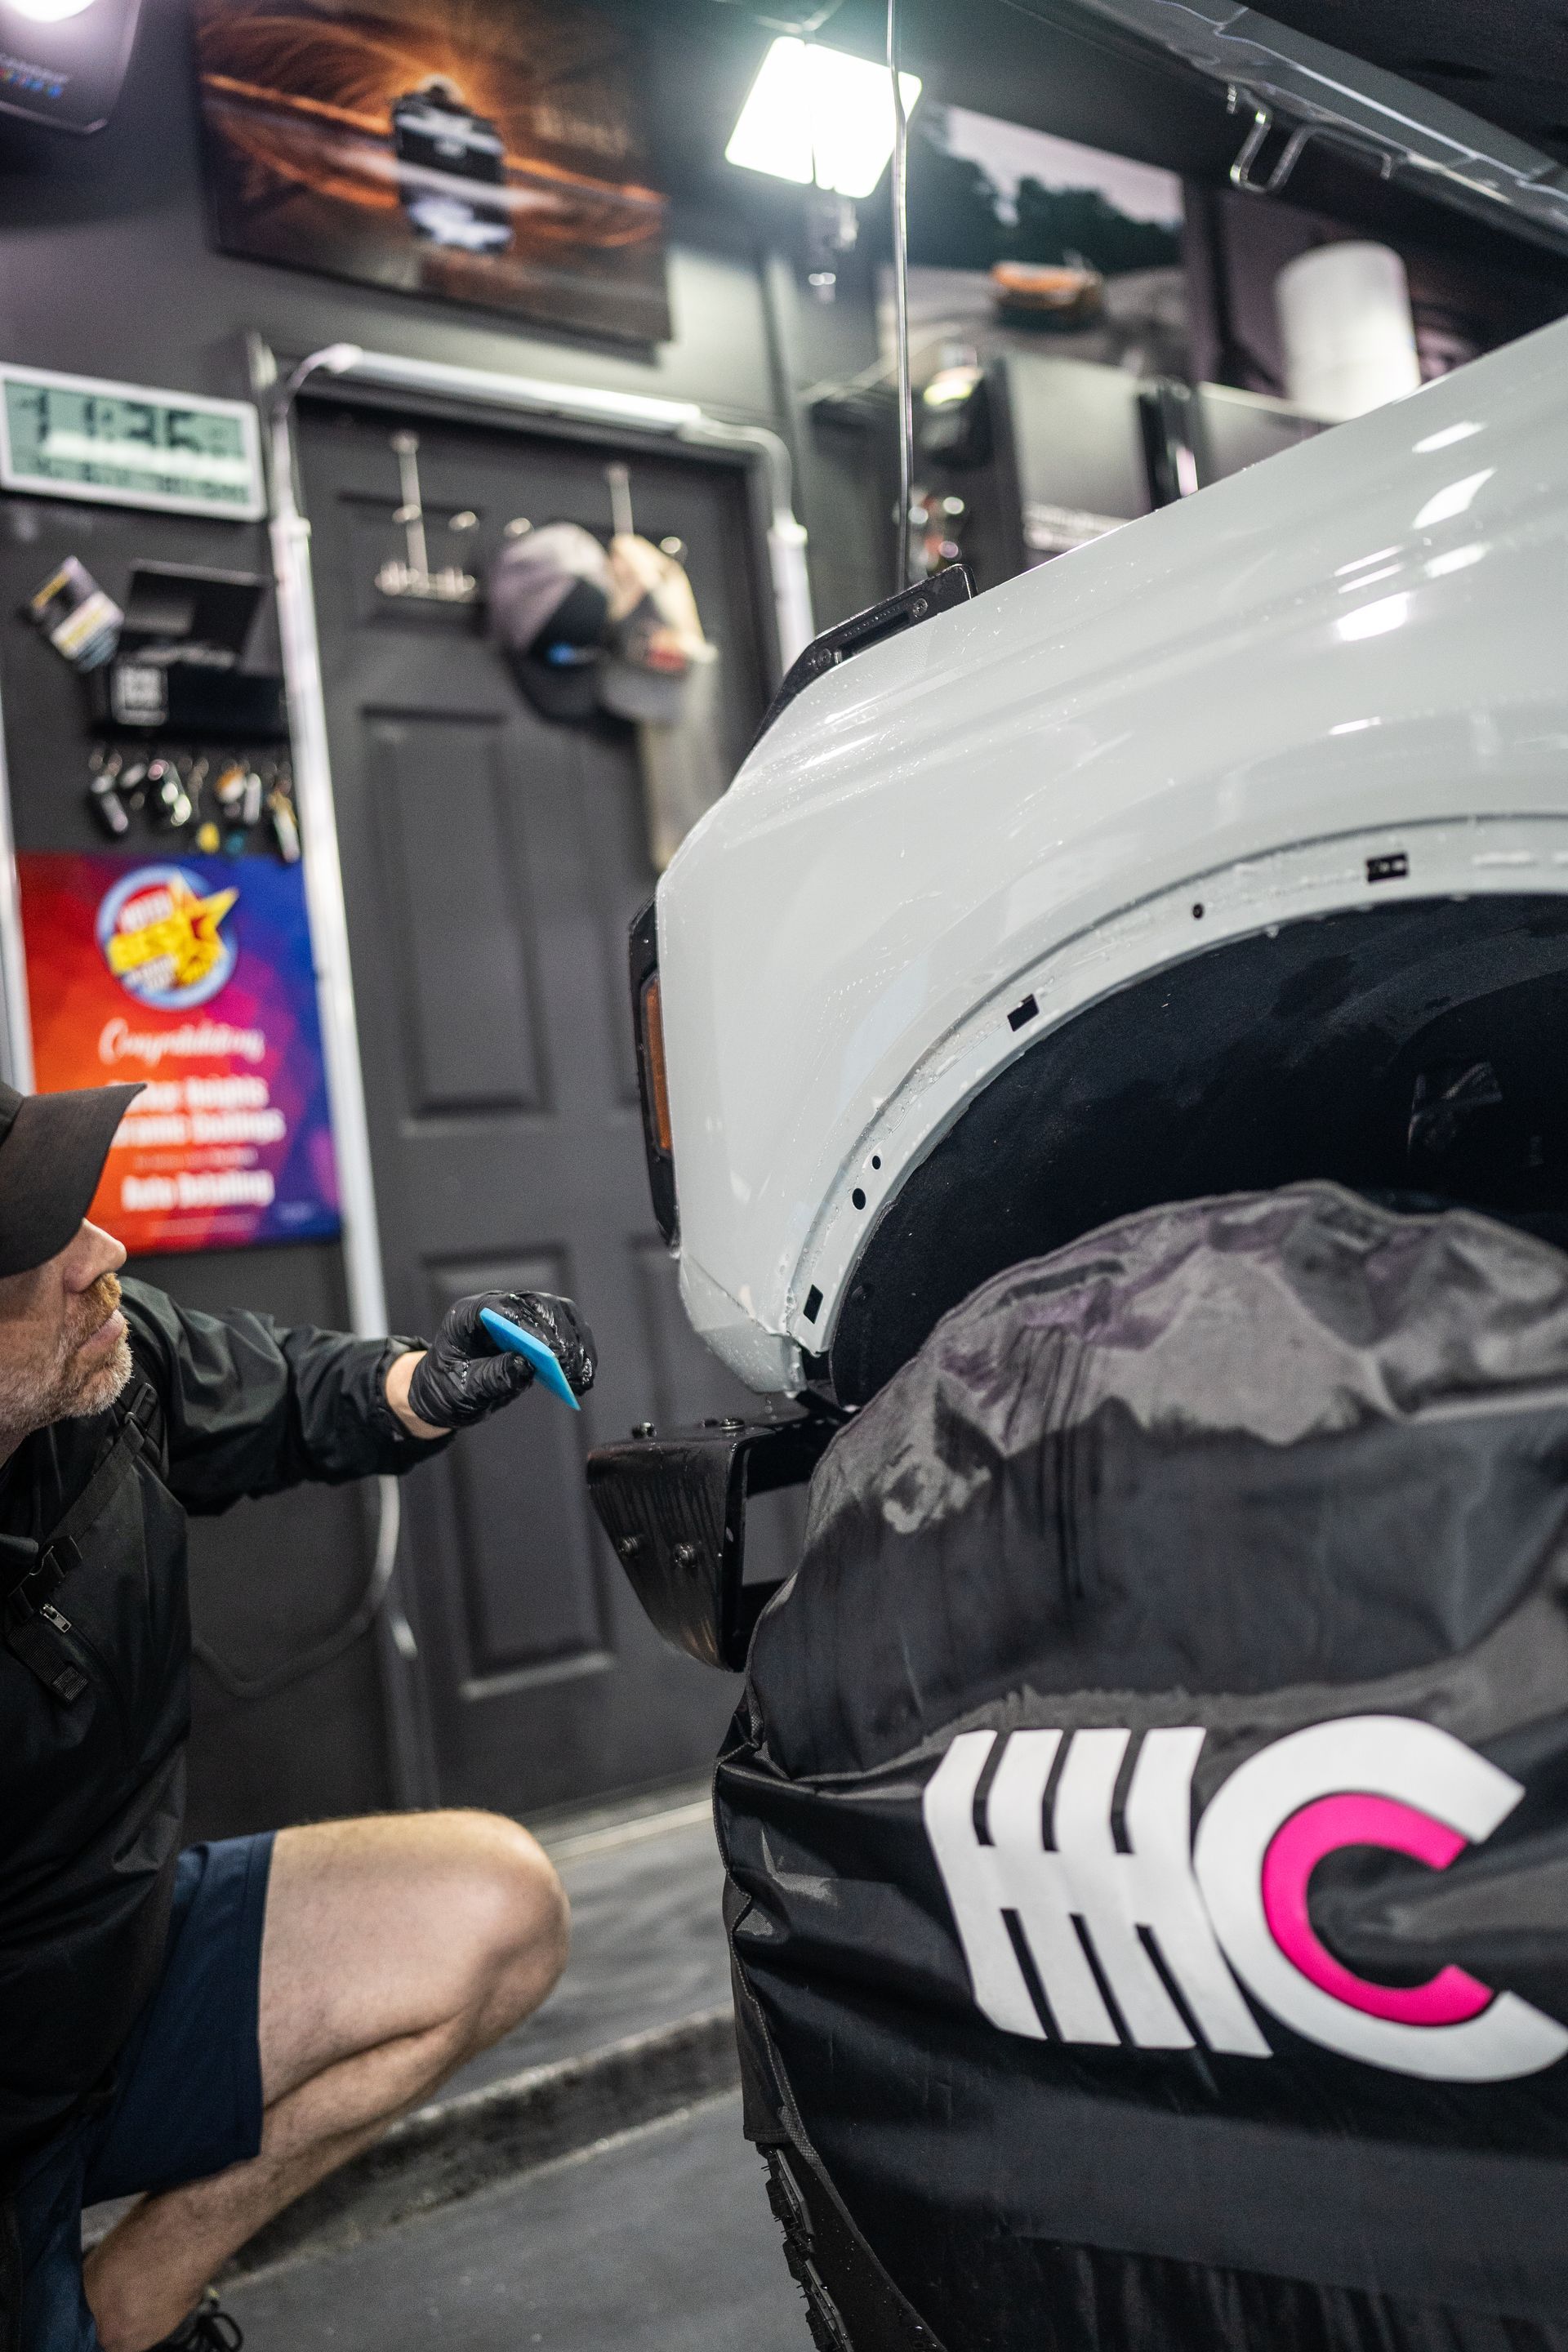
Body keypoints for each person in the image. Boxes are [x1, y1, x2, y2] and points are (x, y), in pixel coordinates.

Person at [0, 1078, 598, 2352]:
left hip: (114, 1983)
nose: (100, 1256)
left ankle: (139, 2296)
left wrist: (431, 1383)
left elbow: (276, 1391)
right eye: (35, 1251)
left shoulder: (101, 1364)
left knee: (492, 1903)